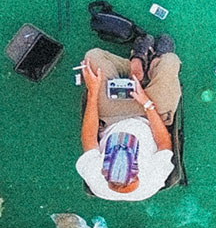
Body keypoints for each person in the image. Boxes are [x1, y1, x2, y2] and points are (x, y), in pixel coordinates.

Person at [76, 34, 182, 201]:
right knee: (170, 61)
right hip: (151, 120)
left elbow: (89, 138)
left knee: (93, 57)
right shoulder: (154, 178)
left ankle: (136, 66)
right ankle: (154, 63)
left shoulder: (94, 175)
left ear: (103, 170)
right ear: (137, 172)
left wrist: (93, 91)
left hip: (112, 118)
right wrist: (146, 104)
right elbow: (164, 141)